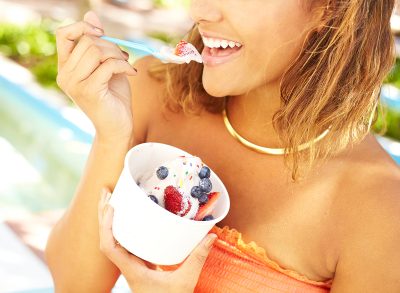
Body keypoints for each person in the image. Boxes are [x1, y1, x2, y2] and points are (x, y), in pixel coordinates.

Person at [46, 0, 400, 292]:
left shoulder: (378, 208)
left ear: (332, 8)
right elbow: (74, 284)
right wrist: (112, 137)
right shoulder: (154, 91)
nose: (198, 11)